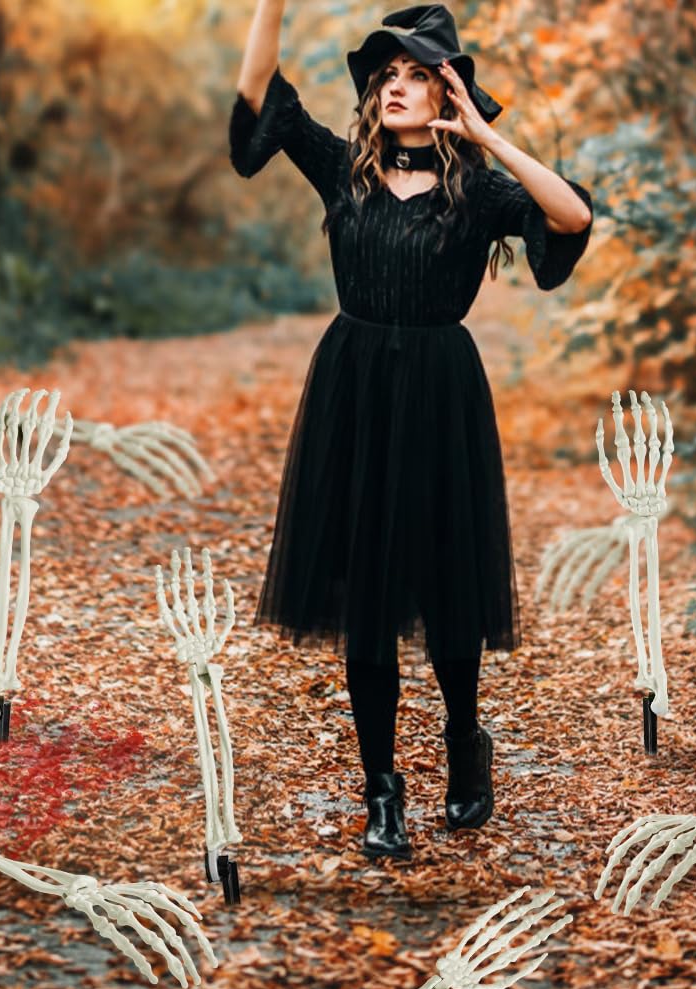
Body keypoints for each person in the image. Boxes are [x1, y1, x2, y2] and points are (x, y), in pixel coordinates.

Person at [230, 2, 593, 861]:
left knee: (446, 594)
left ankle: (465, 744)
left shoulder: (478, 194)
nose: (396, 88)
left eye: (417, 75)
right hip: (353, 392)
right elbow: (256, 98)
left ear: (448, 90)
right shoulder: (343, 171)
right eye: (387, 77)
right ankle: (381, 790)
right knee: (368, 600)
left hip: (441, 395)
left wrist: (486, 134)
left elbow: (571, 215)